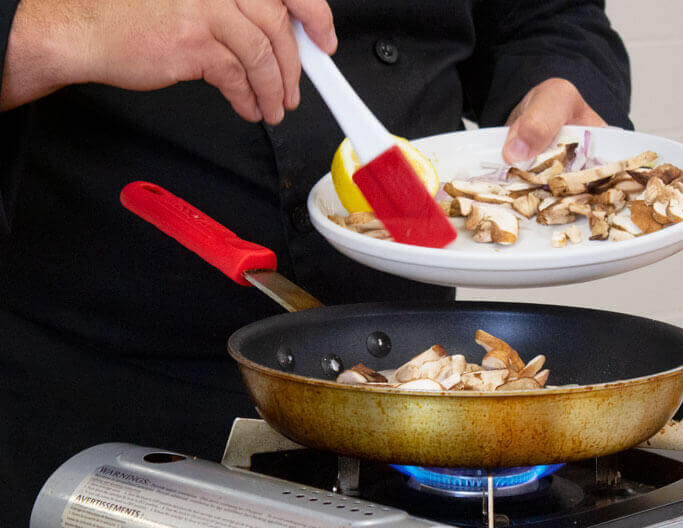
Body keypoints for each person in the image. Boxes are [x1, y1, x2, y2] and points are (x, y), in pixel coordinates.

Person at [0, 0, 631, 523]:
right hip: (92, 409)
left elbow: (546, 17)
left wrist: (563, 83)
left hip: (423, 390)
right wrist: (66, 27)